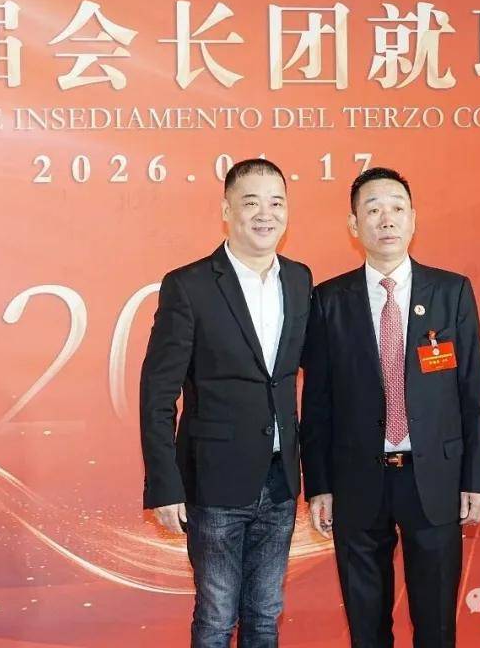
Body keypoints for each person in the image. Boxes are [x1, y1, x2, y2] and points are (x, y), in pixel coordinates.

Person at [300, 167, 480, 648]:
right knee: (367, 626)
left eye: (396, 208)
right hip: (356, 480)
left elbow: (473, 391)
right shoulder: (328, 300)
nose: (385, 219)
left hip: (434, 478)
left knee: (436, 624)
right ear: (354, 225)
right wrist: (319, 484)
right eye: (372, 210)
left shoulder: (450, 292)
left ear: (413, 219)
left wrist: (476, 479)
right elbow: (317, 401)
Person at [139, 158, 312, 648]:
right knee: (216, 618)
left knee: (266, 616)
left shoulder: (299, 280)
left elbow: (310, 382)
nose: (265, 214)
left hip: (281, 480)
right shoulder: (189, 285)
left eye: (276, 202)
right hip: (213, 481)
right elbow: (158, 393)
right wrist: (164, 485)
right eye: (250, 202)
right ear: (226, 210)